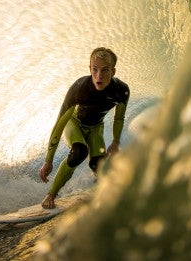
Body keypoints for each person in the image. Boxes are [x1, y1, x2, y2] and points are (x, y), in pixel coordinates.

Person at [38, 47, 130, 209]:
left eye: (105, 70)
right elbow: (59, 124)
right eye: (94, 70)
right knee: (79, 152)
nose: (98, 76)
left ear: (113, 72)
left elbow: (119, 118)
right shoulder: (79, 88)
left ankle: (102, 184)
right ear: (89, 69)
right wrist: (48, 160)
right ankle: (51, 194)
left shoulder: (121, 91)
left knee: (98, 164)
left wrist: (115, 142)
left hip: (95, 127)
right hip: (74, 124)